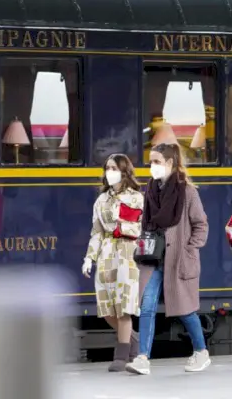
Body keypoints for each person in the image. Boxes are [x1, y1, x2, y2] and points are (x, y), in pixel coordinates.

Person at [125, 143, 210, 375]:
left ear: (170, 163)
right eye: (151, 162)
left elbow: (201, 225)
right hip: (153, 258)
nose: (152, 167)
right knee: (147, 306)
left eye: (156, 162)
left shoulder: (187, 192)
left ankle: (201, 352)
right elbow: (146, 223)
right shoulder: (151, 190)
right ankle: (142, 358)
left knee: (185, 309)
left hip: (178, 258)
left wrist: (190, 249)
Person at [82, 153, 144, 372]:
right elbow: (97, 231)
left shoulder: (136, 197)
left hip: (127, 253)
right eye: (107, 168)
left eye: (114, 168)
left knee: (123, 307)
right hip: (107, 254)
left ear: (124, 171)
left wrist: (120, 228)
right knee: (107, 308)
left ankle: (122, 354)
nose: (109, 172)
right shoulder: (101, 200)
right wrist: (89, 257)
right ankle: (134, 342)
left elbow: (138, 227)